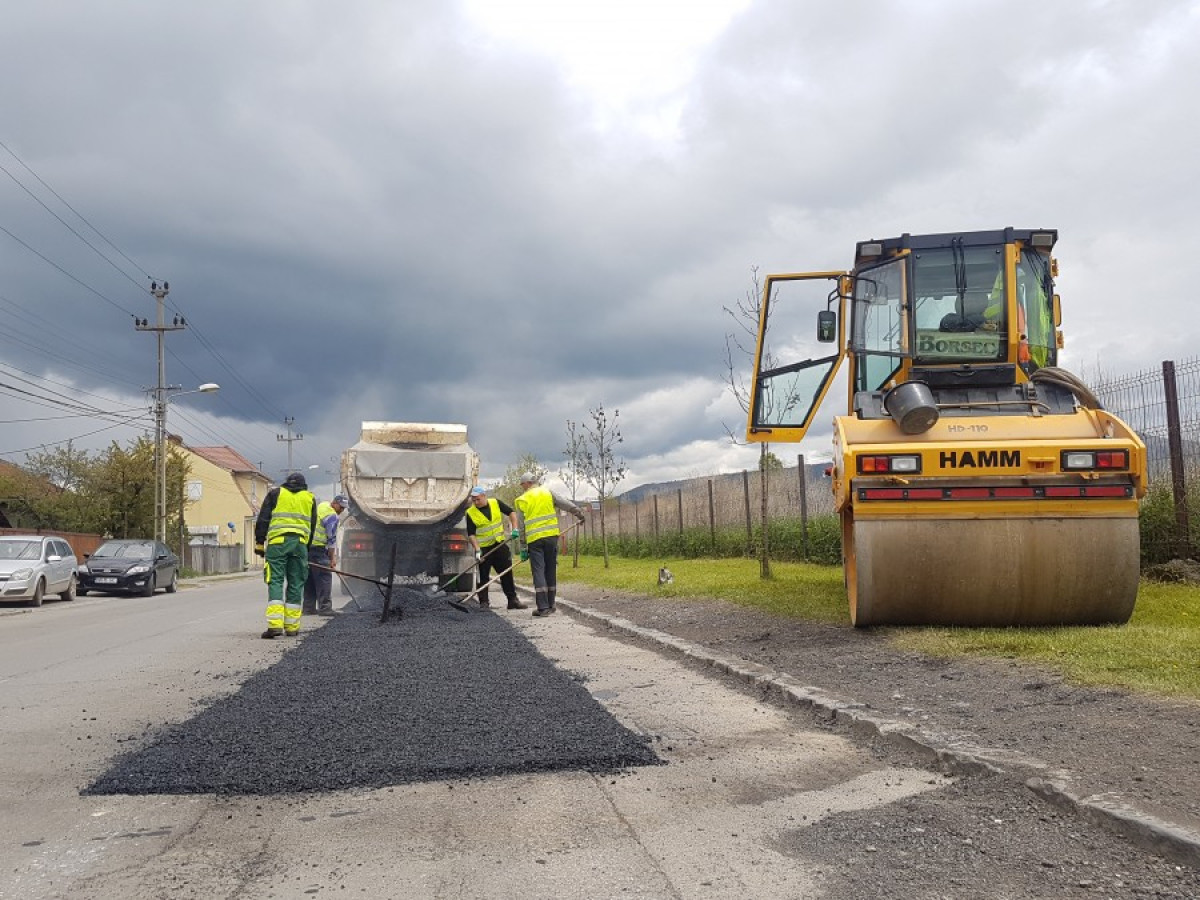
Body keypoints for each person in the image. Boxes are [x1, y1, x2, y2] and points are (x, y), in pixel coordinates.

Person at [254, 472, 317, 638]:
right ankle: (291, 627)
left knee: (275, 580)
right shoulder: (309, 498)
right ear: (304, 486)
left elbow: (263, 519)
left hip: (278, 543)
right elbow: (312, 525)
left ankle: (275, 626)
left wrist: (260, 542)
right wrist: (306, 548)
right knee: (296, 583)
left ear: (286, 484)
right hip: (300, 544)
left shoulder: (276, 494)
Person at [514, 472, 585, 617]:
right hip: (552, 536)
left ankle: (543, 607)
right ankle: (551, 604)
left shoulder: (521, 500)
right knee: (550, 569)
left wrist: (523, 547)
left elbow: (521, 527)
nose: (522, 488)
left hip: (534, 539)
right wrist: (578, 512)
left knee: (538, 571)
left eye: (522, 485)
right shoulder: (547, 492)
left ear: (527, 483)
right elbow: (564, 503)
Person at [465, 486, 526, 610]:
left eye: (478, 499)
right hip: (484, 549)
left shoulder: (495, 503)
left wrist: (514, 528)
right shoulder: (470, 513)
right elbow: (471, 534)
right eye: (473, 500)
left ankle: (512, 600)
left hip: (499, 545)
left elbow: (511, 512)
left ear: (484, 496)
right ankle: (484, 603)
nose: (476, 502)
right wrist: (477, 550)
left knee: (506, 572)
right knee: (483, 576)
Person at [303, 493, 347, 617]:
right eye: (341, 507)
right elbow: (331, 539)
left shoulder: (321, 506)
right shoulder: (332, 516)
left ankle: (308, 608)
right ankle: (325, 608)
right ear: (335, 503)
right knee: (324, 577)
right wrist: (332, 558)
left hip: (307, 548)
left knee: (310, 578)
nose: (342, 510)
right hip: (318, 549)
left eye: (344, 508)